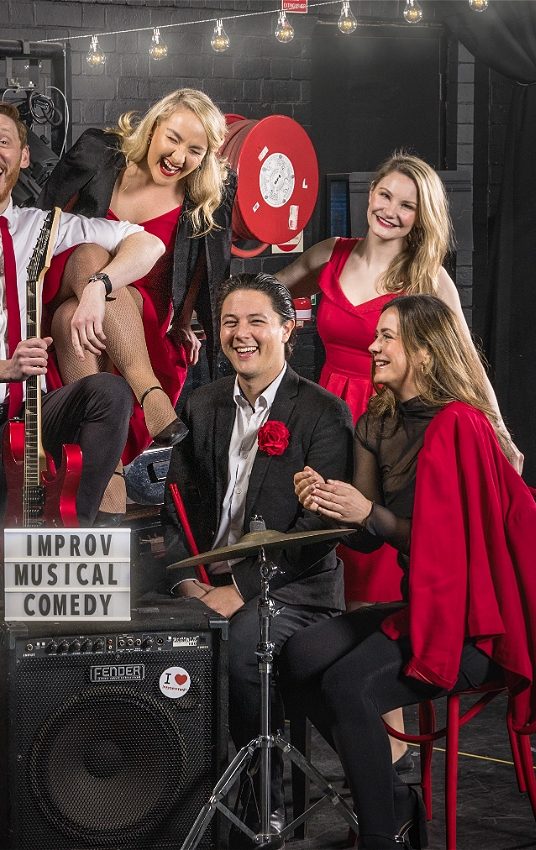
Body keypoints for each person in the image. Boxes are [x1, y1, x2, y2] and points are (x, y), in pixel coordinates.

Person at [0, 100, 164, 832]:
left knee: (105, 391)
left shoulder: (48, 226)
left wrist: (101, 288)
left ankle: (72, 520)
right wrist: (7, 367)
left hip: (33, 419)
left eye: (4, 142)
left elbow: (144, 242)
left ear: (19, 161)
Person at [275, 151, 523, 763]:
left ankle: (383, 755)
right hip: (325, 422)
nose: (390, 210)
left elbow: (465, 362)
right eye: (384, 195)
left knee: (370, 579)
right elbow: (264, 295)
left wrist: (500, 433)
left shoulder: (428, 279)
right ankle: (333, 733)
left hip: (392, 432)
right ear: (370, 194)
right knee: (310, 568)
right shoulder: (330, 251)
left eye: (406, 204)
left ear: (421, 217)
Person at [281, 295, 536, 849]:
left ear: (425, 353)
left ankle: (381, 833)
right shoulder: (376, 424)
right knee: (298, 657)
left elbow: (458, 551)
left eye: (386, 337)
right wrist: (328, 504)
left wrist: (369, 514)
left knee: (346, 683)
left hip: (472, 624)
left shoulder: (462, 424)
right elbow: (364, 537)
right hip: (424, 605)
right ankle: (397, 801)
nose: (372, 347)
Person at [162, 273, 354, 849]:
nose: (240, 335)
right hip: (207, 579)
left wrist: (244, 589)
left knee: (246, 643)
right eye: (229, 322)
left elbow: (321, 531)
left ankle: (260, 806)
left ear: (287, 330)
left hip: (296, 590)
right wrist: (187, 583)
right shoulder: (201, 403)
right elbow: (179, 509)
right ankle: (168, 795)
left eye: (256, 322)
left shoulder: (324, 413)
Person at [37, 88, 236, 517]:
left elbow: (205, 267)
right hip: (66, 286)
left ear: (206, 157)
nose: (179, 156)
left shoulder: (203, 201)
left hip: (135, 319)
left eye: (195, 150)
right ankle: (151, 397)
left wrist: (184, 321)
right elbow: (44, 219)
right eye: (173, 138)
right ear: (154, 127)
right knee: (89, 252)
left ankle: (99, 472)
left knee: (90, 307)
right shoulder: (99, 155)